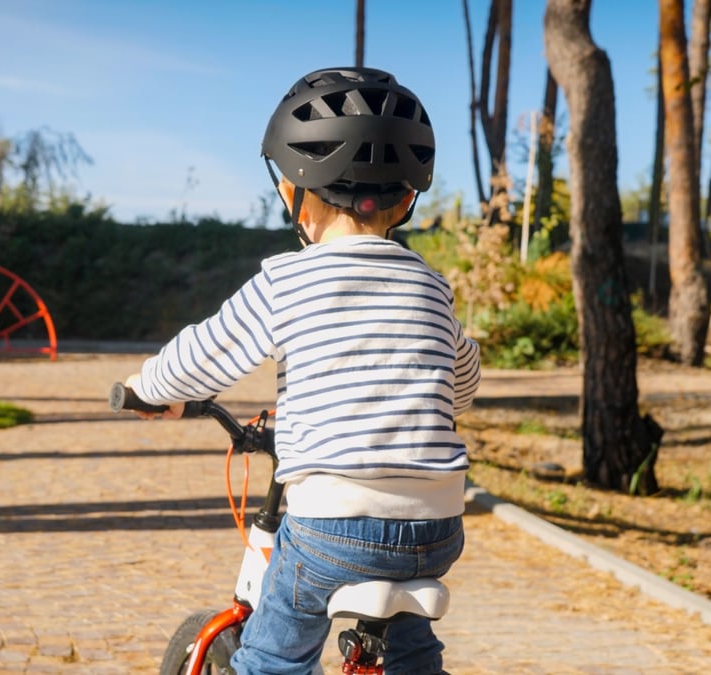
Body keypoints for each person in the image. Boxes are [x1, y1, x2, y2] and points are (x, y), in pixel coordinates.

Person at [124, 66, 480, 674]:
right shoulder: (432, 286)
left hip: (331, 528)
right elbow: (463, 382)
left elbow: (205, 353)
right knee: (411, 656)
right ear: (407, 199)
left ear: (296, 192)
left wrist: (147, 388)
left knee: (273, 657)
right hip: (435, 527)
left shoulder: (288, 280)